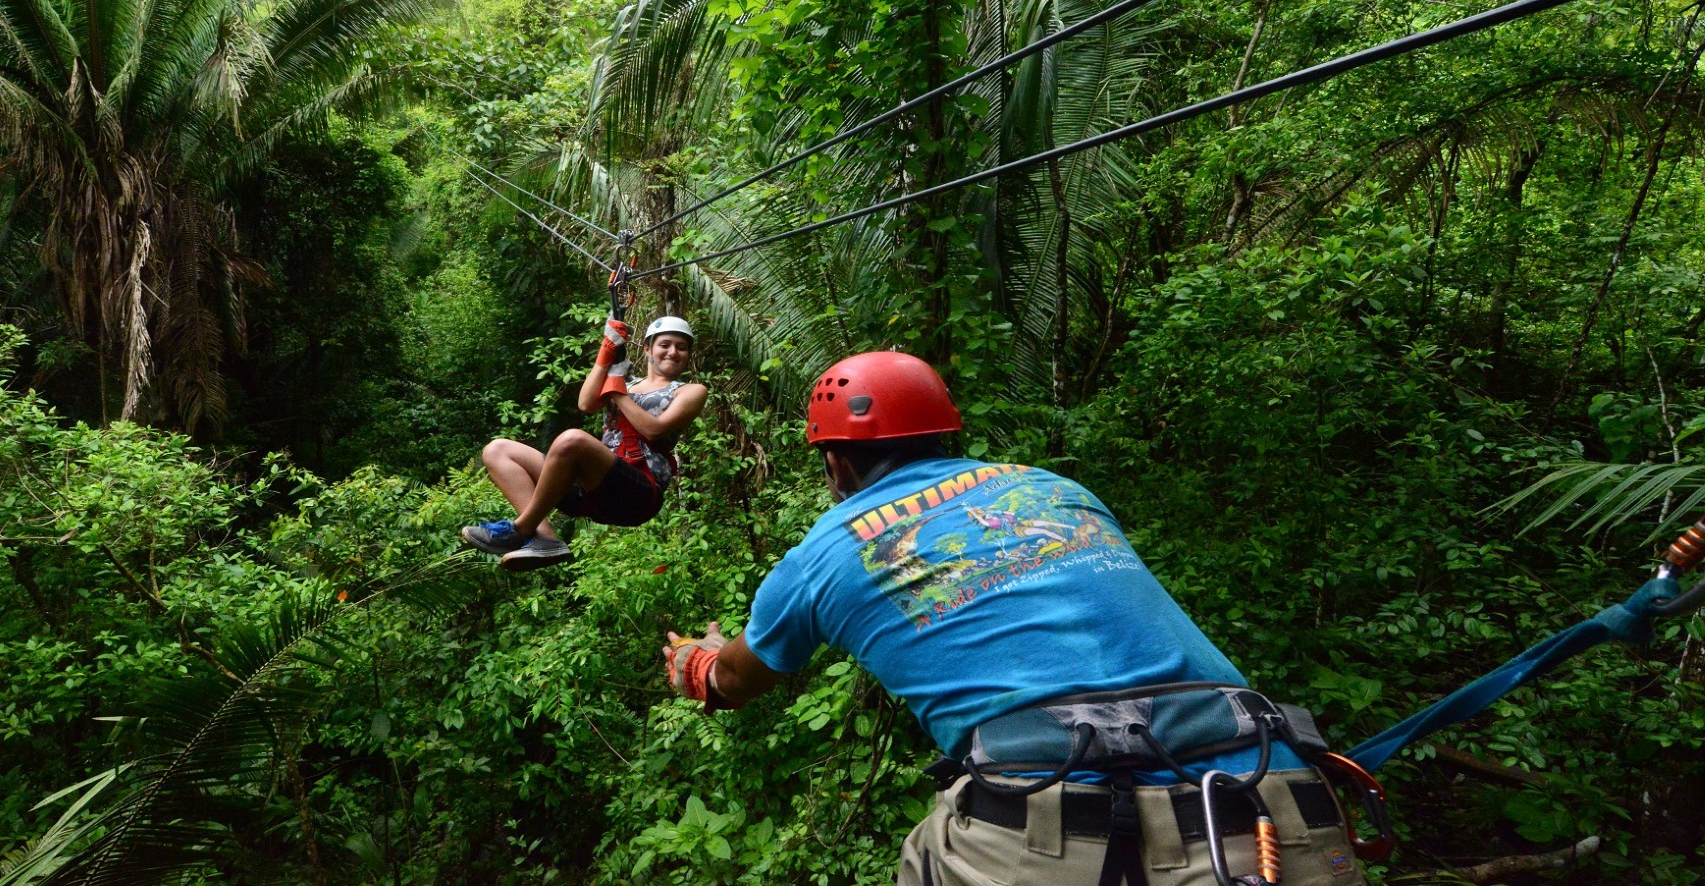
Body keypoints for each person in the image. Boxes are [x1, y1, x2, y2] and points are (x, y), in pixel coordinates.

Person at [662, 351, 1370, 886]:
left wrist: (699, 659)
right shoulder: (1053, 489)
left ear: (835, 466)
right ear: (945, 436)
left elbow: (734, 679)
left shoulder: (825, 553)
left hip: (1049, 827)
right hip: (1270, 805)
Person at [465, 314, 708, 570]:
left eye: (681, 347)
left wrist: (617, 392)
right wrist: (607, 352)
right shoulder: (626, 381)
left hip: (638, 493)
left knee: (573, 440)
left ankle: (520, 528)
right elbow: (586, 404)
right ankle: (545, 538)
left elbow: (653, 430)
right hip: (593, 489)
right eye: (665, 344)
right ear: (647, 349)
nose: (673, 352)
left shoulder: (690, 391)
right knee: (498, 450)